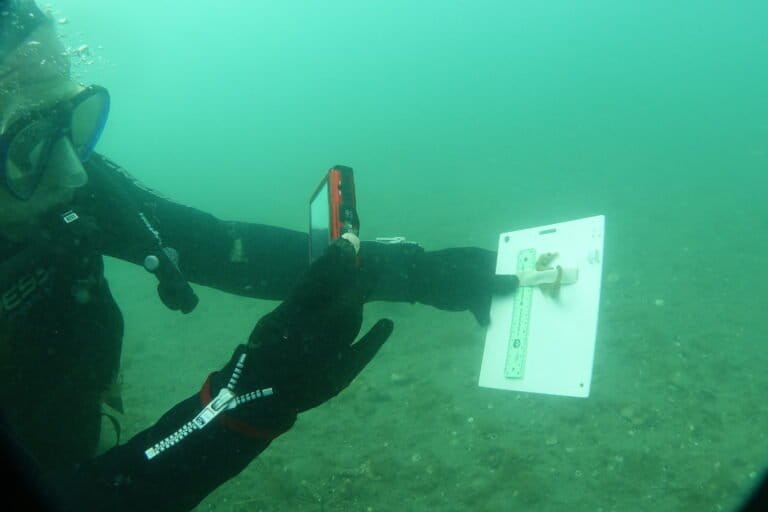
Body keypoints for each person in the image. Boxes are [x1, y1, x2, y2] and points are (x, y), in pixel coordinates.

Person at [0, 1, 517, 510]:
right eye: (28, 142)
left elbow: (219, 248)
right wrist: (245, 400)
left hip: (78, 428)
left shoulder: (66, 184)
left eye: (71, 122)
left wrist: (417, 275)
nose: (71, 173)